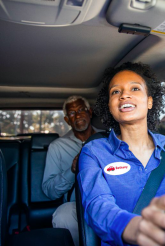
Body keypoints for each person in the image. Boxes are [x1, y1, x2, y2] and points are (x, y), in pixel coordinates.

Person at [77, 62, 165, 246]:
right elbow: (97, 204)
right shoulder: (93, 152)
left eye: (134, 88)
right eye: (115, 92)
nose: (124, 95)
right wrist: (134, 227)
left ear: (150, 101)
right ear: (110, 105)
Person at [42, 95, 96, 246]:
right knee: (63, 214)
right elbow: (49, 190)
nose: (77, 115)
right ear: (67, 120)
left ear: (90, 112)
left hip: (111, 198)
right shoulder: (57, 147)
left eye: (81, 110)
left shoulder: (108, 138)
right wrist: (71, 171)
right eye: (72, 113)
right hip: (76, 204)